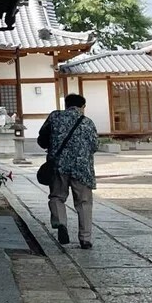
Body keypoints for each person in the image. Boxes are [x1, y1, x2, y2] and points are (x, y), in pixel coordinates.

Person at [37, 93, 100, 248]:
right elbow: (95, 146)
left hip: (59, 166)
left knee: (57, 197)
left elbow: (42, 139)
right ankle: (85, 239)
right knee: (84, 203)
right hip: (82, 168)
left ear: (66, 105)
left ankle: (61, 222)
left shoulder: (55, 117)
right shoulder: (87, 122)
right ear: (82, 107)